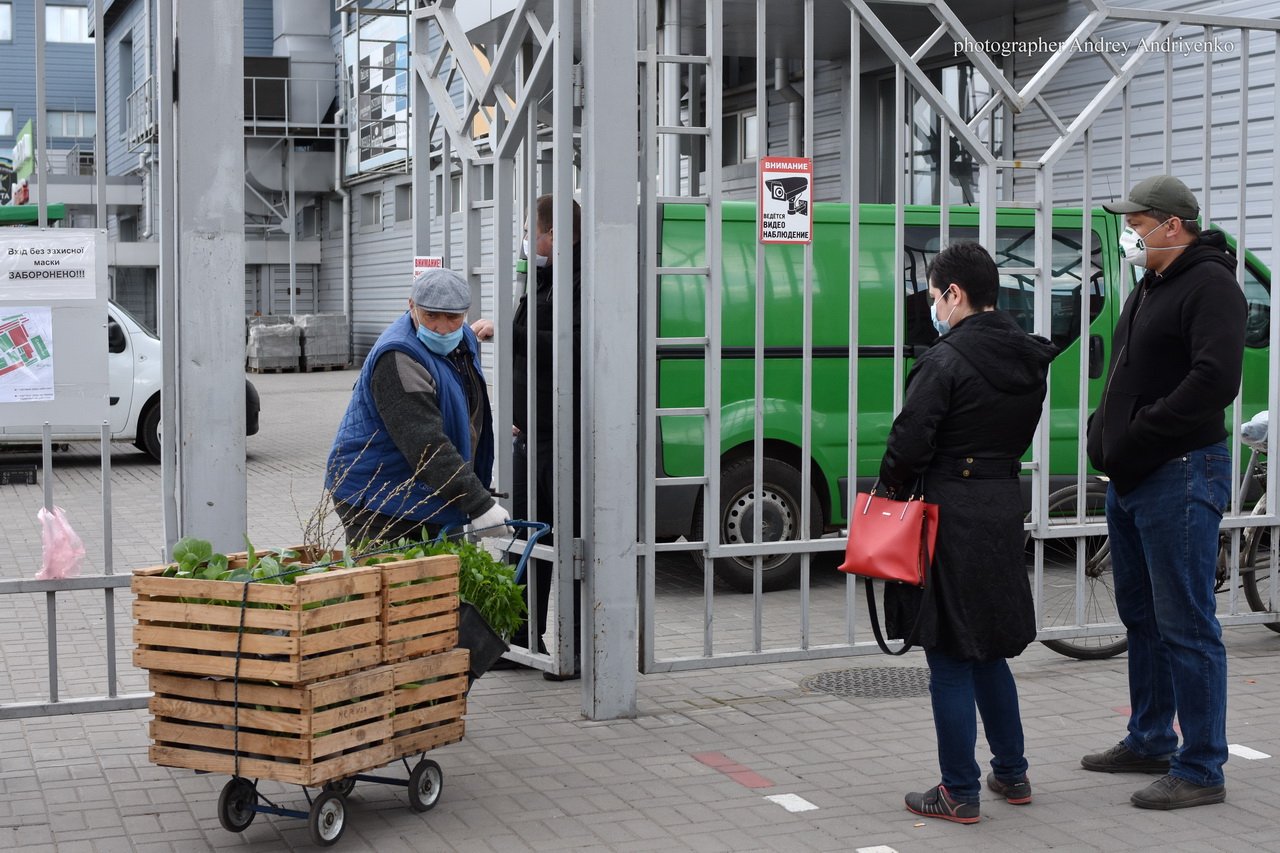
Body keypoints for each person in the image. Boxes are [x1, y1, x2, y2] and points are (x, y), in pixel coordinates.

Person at [878, 242, 1059, 824]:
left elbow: (909, 442)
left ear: (953, 294)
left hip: (949, 510)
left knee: (951, 653)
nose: (931, 307)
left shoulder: (945, 361)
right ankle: (1012, 771)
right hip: (1003, 502)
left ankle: (958, 789)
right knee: (987, 650)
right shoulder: (1028, 358)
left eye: (933, 296)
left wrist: (888, 491)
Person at [1082, 175, 1245, 810]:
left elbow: (1215, 379)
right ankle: (1150, 737)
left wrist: (1144, 430)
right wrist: (1108, 432)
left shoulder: (1210, 285)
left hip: (1178, 472)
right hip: (1134, 477)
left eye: (1137, 222)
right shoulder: (1152, 285)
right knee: (1143, 617)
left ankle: (1202, 765)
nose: (1130, 233)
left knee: (1187, 625)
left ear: (1171, 225)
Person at [472, 195, 583, 679]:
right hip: (533, 430)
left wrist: (506, 331)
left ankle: (575, 649)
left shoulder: (584, 277)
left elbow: (568, 343)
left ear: (554, 234)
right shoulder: (545, 277)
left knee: (572, 537)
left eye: (528, 230)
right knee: (528, 536)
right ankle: (521, 638)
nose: (525, 240)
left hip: (569, 432)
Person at [326, 267, 511, 546]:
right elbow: (426, 444)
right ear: (411, 306)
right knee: (394, 583)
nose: (442, 327)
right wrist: (479, 504)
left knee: (439, 581)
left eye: (453, 317)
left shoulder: (462, 341)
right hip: (378, 496)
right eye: (430, 315)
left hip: (422, 489)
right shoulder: (399, 357)